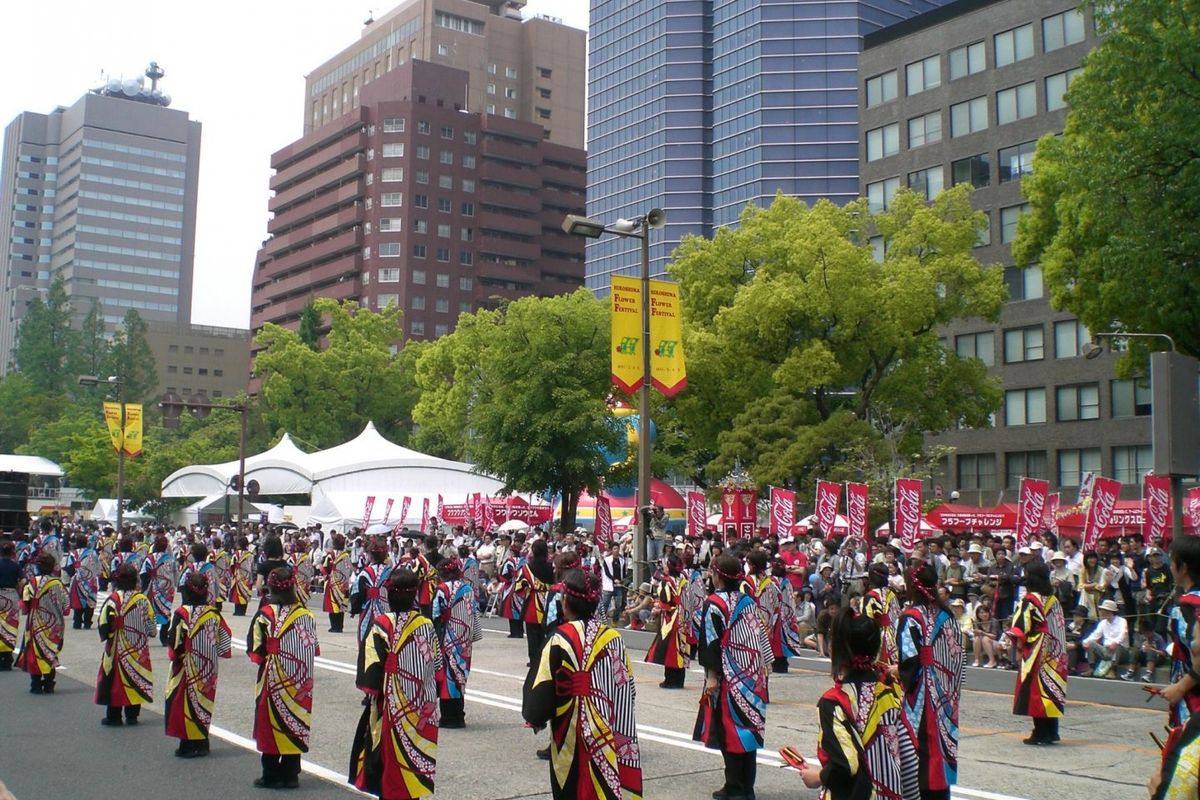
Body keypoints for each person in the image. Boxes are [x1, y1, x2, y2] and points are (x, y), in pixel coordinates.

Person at [524, 569, 642, 800]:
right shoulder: (613, 637)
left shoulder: (560, 637)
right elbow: (626, 683)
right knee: (604, 780)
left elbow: (544, 683)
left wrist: (535, 716)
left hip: (571, 722)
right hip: (606, 720)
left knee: (571, 780)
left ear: (566, 601)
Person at [795, 607, 919, 799]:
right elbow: (910, 758)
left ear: (837, 649)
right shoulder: (891, 693)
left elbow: (845, 765)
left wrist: (818, 776)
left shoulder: (833, 702)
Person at [350, 568, 442, 799]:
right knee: (417, 749)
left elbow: (371, 665)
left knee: (388, 751)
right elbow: (437, 664)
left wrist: (372, 689)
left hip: (392, 699)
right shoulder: (426, 624)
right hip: (421, 700)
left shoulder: (382, 623)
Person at [694, 554, 772, 800]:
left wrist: (712, 676)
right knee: (748, 732)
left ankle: (735, 788)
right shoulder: (748, 600)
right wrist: (765, 662)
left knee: (730, 732)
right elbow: (759, 634)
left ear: (717, 575)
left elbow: (710, 642)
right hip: (751, 674)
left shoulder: (714, 603)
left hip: (729, 676)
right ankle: (744, 787)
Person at [898, 561, 965, 800]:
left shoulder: (911, 617)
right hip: (947, 691)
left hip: (922, 692)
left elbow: (909, 658)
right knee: (942, 743)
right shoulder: (947, 615)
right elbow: (959, 656)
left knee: (920, 745)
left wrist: (899, 679)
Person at [248, 566, 320, 789]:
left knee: (270, 723)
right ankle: (291, 773)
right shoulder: (307, 615)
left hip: (274, 677)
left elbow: (256, 651)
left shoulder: (265, 615)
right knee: (295, 721)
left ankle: (270, 773)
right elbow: (313, 648)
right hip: (300, 681)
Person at [165, 571, 232, 757]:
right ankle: (202, 742)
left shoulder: (181, 613)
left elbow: (174, 641)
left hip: (187, 665)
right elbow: (226, 639)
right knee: (204, 701)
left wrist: (175, 656)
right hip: (209, 667)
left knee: (184, 701)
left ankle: (187, 744)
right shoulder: (213, 613)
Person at [1006, 561, 1067, 746]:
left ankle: (1040, 732)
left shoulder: (1031, 599)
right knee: (1052, 691)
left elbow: (1021, 625)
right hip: (1056, 651)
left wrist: (1016, 647)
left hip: (1037, 650)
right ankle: (1051, 732)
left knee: (1036, 692)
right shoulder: (1053, 599)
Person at [95, 563, 156, 726]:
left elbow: (103, 624)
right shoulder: (143, 600)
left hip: (117, 647)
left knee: (114, 679)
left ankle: (113, 716)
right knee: (136, 678)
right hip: (138, 648)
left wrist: (109, 634)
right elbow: (152, 627)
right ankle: (132, 715)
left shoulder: (112, 600)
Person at [432, 557, 479, 729]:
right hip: (464, 636)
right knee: (460, 674)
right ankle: (460, 714)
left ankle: (449, 717)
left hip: (448, 636)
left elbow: (436, 613)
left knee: (448, 676)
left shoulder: (442, 589)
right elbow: (473, 613)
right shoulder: (468, 589)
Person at [16, 553, 68, 694]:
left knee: (35, 652)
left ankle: (36, 685)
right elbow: (66, 606)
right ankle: (49, 684)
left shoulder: (32, 583)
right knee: (51, 652)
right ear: (52, 567)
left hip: (36, 623)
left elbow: (25, 605)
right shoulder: (58, 584)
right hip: (56, 624)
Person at [646, 554, 691, 688]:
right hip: (683, 617)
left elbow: (665, 600)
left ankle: (670, 680)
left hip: (671, 618)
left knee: (670, 649)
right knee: (681, 648)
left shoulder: (666, 582)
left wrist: (658, 607)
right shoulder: (684, 580)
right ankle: (679, 680)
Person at [352, 539, 395, 645]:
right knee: (385, 639)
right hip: (387, 611)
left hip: (367, 610)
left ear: (370, 555)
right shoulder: (391, 572)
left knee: (366, 639)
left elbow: (356, 594)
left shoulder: (365, 573)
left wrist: (355, 609)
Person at [141, 535, 178, 646]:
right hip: (166, 591)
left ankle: (147, 633)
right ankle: (164, 637)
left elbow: (143, 574)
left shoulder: (149, 558)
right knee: (165, 611)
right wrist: (173, 585)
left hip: (151, 589)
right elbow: (176, 575)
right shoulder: (170, 560)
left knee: (149, 611)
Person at [863, 562, 901, 668]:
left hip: (877, 637)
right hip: (894, 635)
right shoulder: (892, 594)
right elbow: (897, 615)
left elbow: (866, 621)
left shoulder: (870, 596)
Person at [1080, 599, 1128, 678]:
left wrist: (1115, 642)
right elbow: (1095, 634)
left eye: (1103, 610)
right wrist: (1086, 642)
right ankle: (1091, 668)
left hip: (1121, 651)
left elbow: (1123, 634)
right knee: (1091, 643)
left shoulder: (1122, 621)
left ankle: (1113, 670)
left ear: (1109, 611)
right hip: (1106, 650)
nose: (1101, 612)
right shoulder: (1102, 623)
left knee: (1117, 646)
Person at [64, 533, 100, 630]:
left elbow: (69, 567)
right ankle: (88, 622)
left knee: (78, 601)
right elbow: (98, 567)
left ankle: (77, 622)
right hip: (91, 580)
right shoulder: (93, 553)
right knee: (90, 601)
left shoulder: (73, 554)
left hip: (78, 580)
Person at [322, 533, 352, 633]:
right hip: (344, 584)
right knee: (341, 606)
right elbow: (350, 570)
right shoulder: (346, 556)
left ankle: (334, 626)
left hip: (333, 584)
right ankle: (340, 626)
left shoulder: (331, 555)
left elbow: (325, 568)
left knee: (332, 605)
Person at [0, 541, 20, 671]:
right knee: (10, 626)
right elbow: (22, 582)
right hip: (11, 596)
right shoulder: (16, 566)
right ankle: (7, 657)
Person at [229, 536, 254, 616]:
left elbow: (232, 565)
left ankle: (237, 611)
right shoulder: (250, 555)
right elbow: (252, 566)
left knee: (237, 594)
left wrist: (233, 573)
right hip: (246, 576)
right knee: (245, 594)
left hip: (237, 575)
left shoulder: (235, 554)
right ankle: (243, 611)